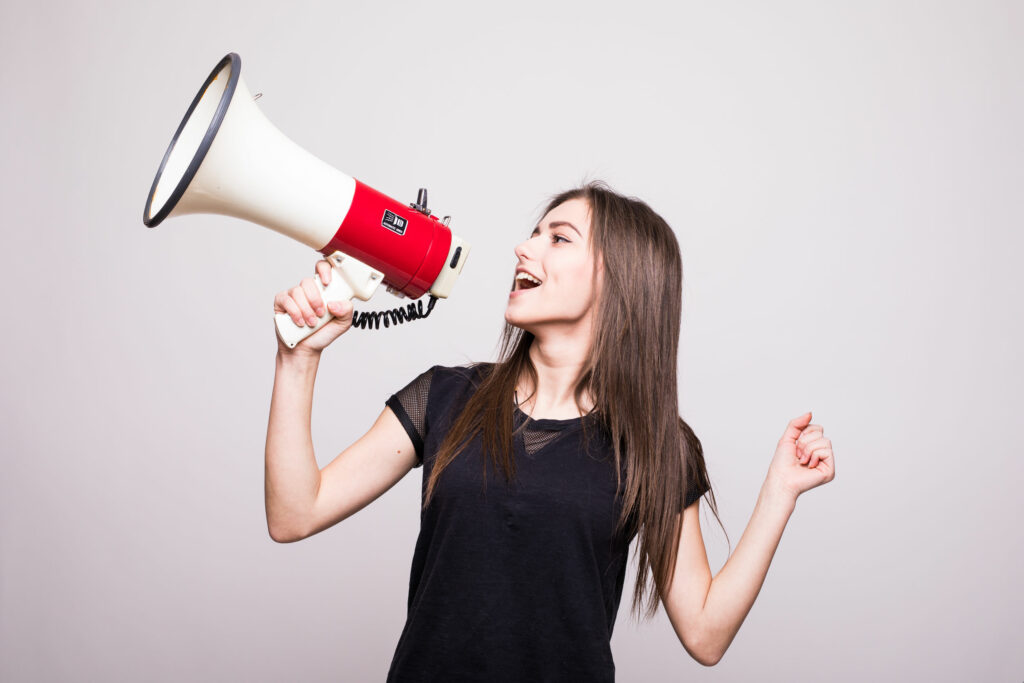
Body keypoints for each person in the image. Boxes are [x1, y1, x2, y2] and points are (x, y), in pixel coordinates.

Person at [264, 181, 836, 681]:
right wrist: (299, 359)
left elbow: (705, 634)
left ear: (621, 281)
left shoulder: (656, 447)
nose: (524, 247)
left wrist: (779, 493)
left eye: (558, 238)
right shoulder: (444, 397)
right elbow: (294, 513)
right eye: (533, 232)